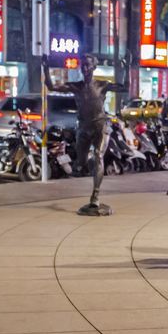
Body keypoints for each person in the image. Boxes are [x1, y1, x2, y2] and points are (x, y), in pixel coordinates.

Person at [43, 52, 130, 215]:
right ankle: (87, 167)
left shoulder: (102, 85)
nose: (85, 68)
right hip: (83, 128)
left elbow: (124, 88)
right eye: (82, 65)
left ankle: (95, 195)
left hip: (100, 126)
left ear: (94, 67)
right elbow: (52, 87)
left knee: (98, 155)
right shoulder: (76, 86)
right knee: (80, 163)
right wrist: (46, 68)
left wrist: (127, 69)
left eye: (88, 65)